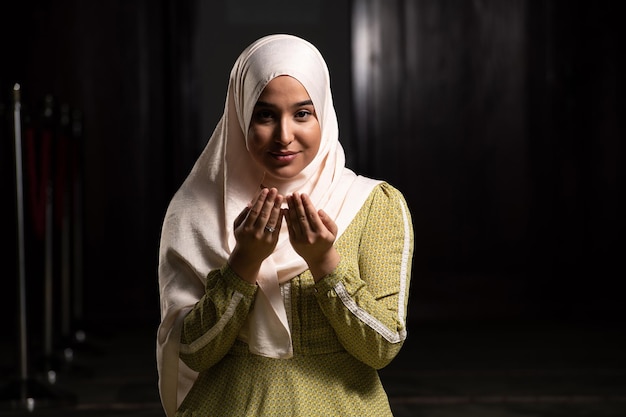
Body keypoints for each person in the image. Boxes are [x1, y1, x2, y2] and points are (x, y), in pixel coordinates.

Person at [156, 33, 414, 417]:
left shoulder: (370, 204)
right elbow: (193, 352)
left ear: (323, 113)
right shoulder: (196, 209)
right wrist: (244, 262)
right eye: (264, 114)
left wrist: (324, 261)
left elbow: (381, 347)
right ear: (241, 112)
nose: (284, 135)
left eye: (302, 113)